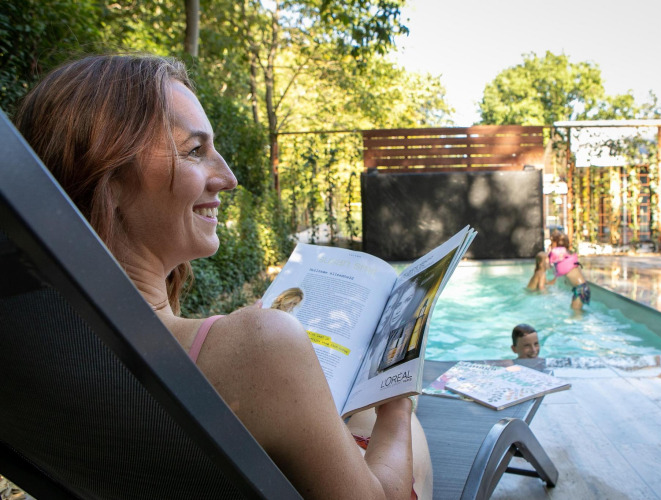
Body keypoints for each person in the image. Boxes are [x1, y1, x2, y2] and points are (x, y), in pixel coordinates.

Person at [14, 53, 432, 500]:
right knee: (382, 420)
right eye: (195, 151)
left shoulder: (35, 350)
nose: (228, 178)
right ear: (110, 179)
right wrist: (398, 400)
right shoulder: (261, 349)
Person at [548, 233, 590, 311]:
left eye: (552, 243)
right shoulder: (564, 255)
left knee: (576, 313)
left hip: (581, 289)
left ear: (557, 243)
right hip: (581, 288)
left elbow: (549, 261)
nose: (550, 245)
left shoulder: (559, 253)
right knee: (575, 311)